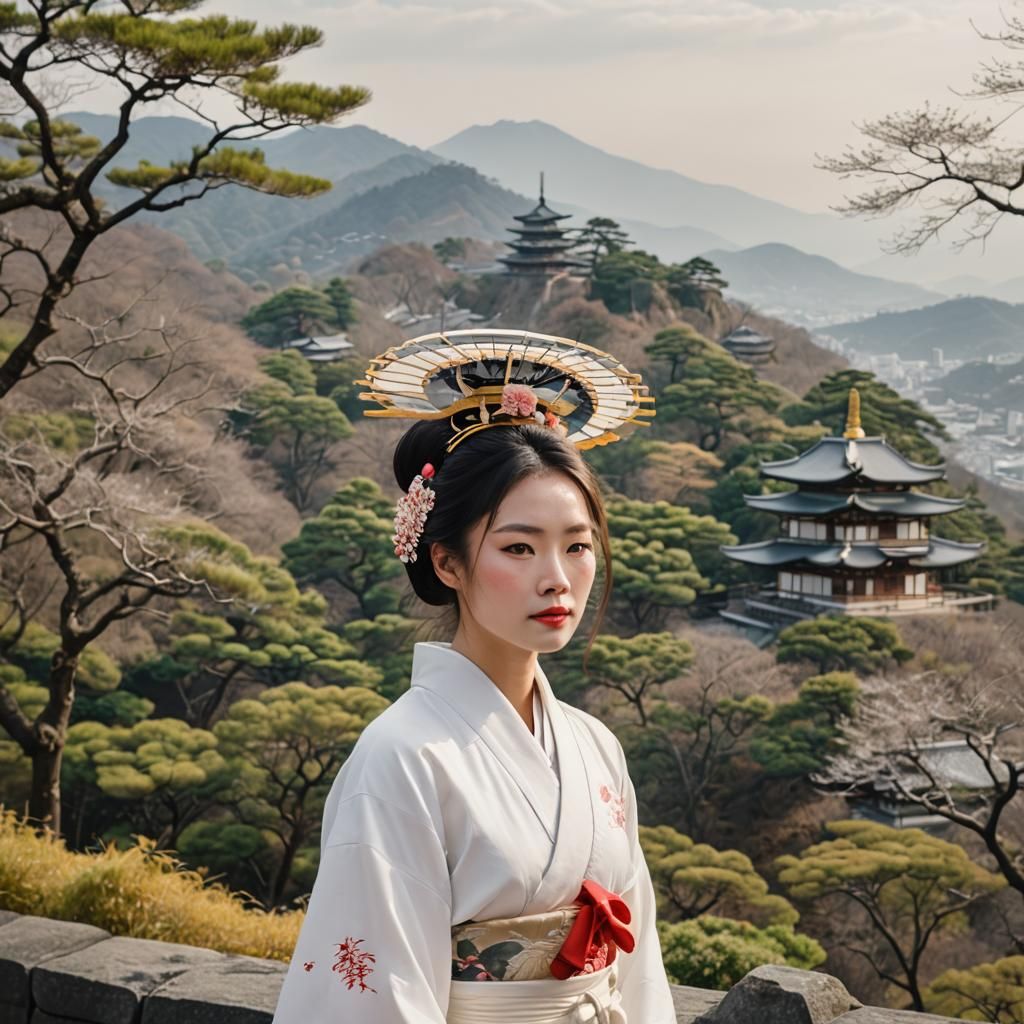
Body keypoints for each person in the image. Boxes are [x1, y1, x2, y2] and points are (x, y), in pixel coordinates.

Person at [272, 330, 674, 1023]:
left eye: (577, 546)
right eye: (519, 547)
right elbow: (378, 998)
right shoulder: (402, 758)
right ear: (447, 563)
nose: (558, 579)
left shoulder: (595, 746)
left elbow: (639, 977)